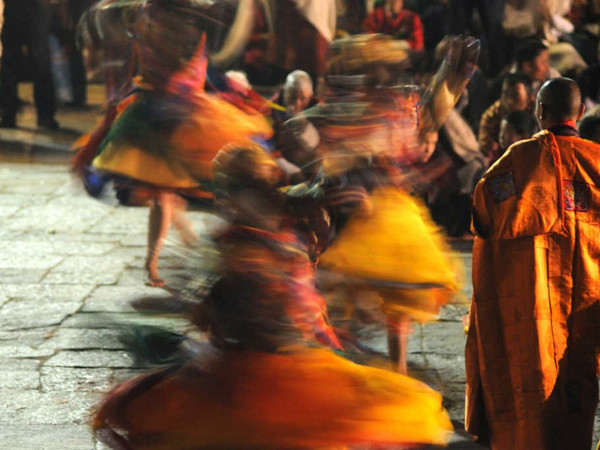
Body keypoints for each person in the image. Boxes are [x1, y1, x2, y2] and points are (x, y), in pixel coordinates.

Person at [465, 77, 600, 449]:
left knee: (534, 379)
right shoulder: (597, 161)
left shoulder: (521, 159)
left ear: (540, 112)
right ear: (581, 112)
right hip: (587, 297)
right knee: (580, 374)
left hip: (533, 298)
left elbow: (484, 213)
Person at [0, 0, 58, 129]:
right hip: (25, 10)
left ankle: (9, 114)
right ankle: (43, 116)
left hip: (30, 9)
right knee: (15, 63)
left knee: (34, 63)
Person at [479, 73, 533, 162]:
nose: (509, 101)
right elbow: (486, 149)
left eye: (515, 95)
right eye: (505, 94)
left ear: (529, 97)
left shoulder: (540, 113)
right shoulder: (492, 115)